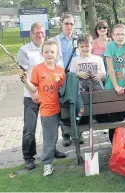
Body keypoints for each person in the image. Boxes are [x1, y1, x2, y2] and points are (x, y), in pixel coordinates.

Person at [17, 23, 66, 171]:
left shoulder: (50, 48)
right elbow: (23, 74)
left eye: (42, 33)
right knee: (30, 128)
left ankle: (51, 150)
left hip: (48, 95)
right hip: (31, 94)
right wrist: (34, 93)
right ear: (31, 34)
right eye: (37, 33)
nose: (40, 35)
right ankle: (29, 157)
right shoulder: (24, 50)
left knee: (51, 127)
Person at [50, 14, 81, 146]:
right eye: (66, 23)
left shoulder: (78, 40)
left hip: (76, 76)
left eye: (71, 24)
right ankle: (66, 134)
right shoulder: (54, 40)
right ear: (61, 25)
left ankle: (78, 132)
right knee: (63, 103)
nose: (69, 26)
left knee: (78, 102)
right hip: (60, 76)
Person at [104, 24, 125, 143]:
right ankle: (114, 142)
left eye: (122, 34)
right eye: (117, 34)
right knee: (114, 116)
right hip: (112, 84)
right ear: (112, 36)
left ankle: (124, 142)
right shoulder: (110, 46)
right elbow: (110, 69)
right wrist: (116, 86)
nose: (120, 36)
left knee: (124, 116)